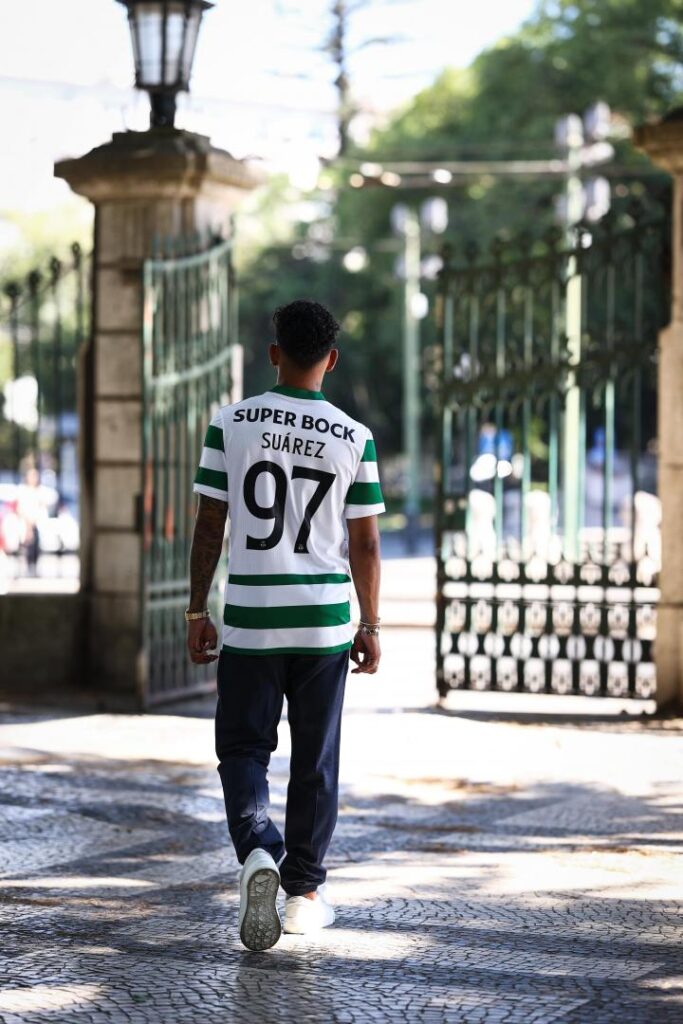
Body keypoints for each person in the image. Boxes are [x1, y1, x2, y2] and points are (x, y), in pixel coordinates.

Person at [187, 299, 384, 951]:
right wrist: (370, 623)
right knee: (315, 757)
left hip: (251, 618)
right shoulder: (355, 437)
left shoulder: (230, 424)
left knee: (243, 749)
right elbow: (366, 545)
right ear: (330, 360)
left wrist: (196, 609)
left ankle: (257, 853)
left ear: (273, 353)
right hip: (324, 624)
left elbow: (210, 524)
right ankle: (301, 893)